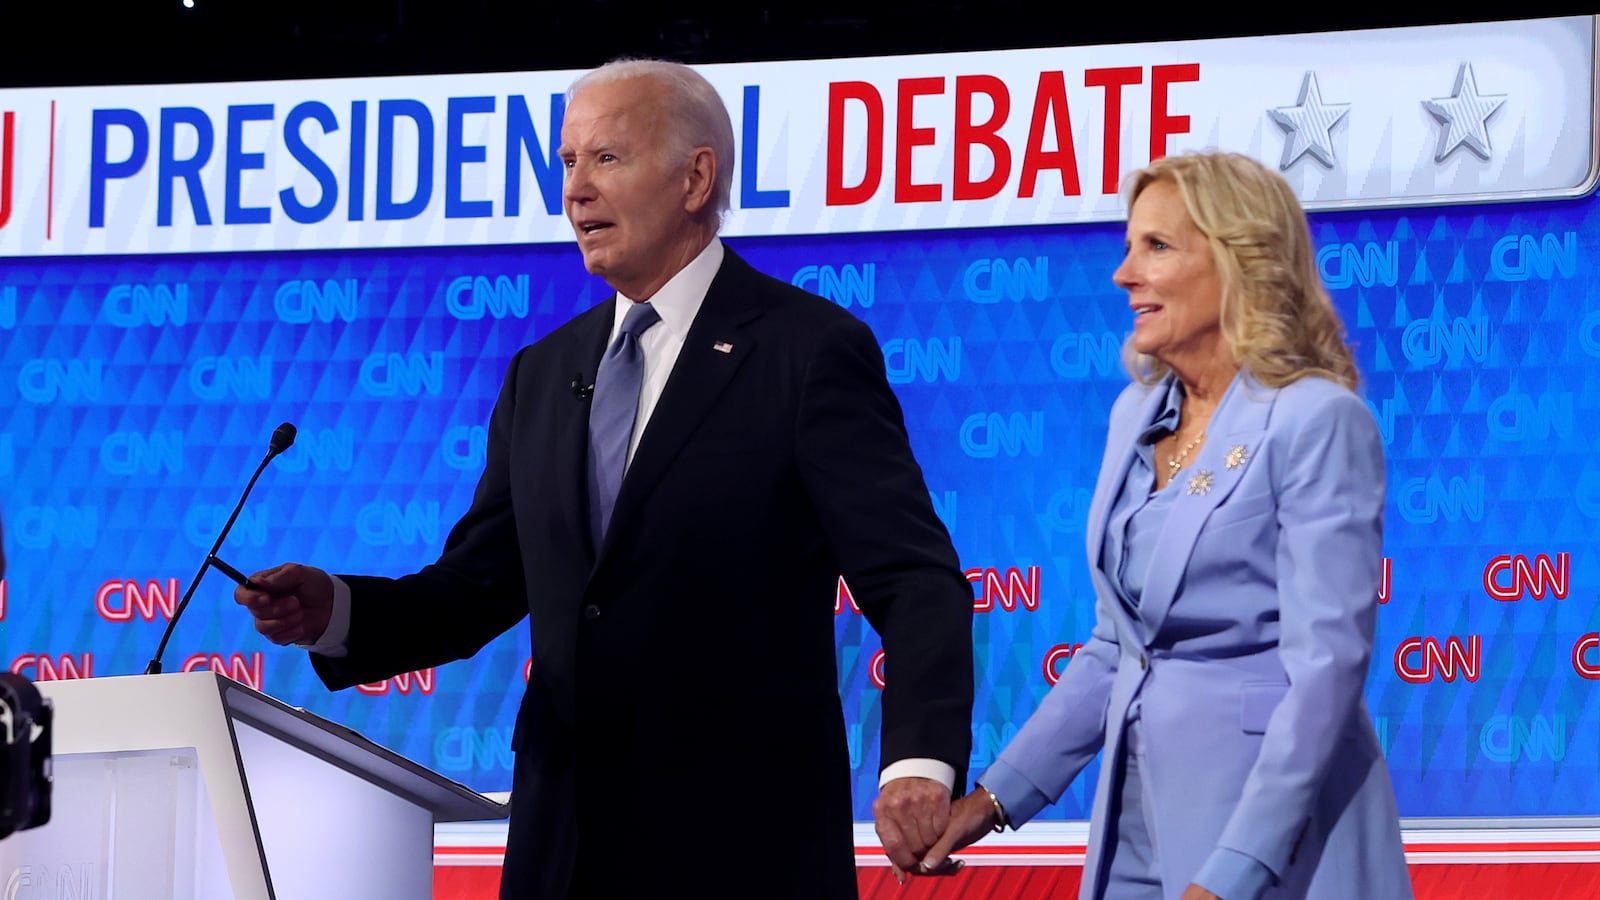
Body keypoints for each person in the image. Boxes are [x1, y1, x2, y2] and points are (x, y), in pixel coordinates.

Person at [233, 58, 974, 899]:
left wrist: (918, 760)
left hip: (742, 842)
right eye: (566, 163)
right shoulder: (542, 373)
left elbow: (913, 579)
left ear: (696, 177)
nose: (576, 191)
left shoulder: (805, 352)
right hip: (565, 846)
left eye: (607, 159)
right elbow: (480, 585)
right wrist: (340, 611)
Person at [915, 151, 1411, 899]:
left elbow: (1325, 676)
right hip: (1137, 814)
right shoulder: (1134, 416)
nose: (1123, 275)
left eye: (1157, 247)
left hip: (1275, 836)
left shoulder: (1316, 419)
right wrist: (994, 799)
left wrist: (1237, 870)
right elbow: (1119, 647)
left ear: (1239, 260)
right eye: (1127, 248)